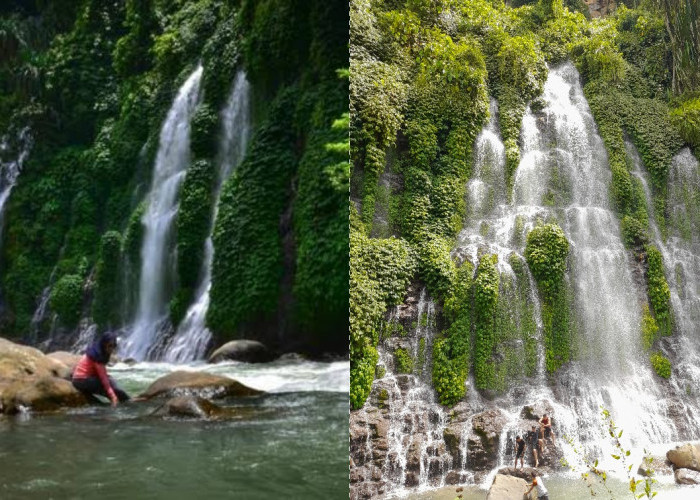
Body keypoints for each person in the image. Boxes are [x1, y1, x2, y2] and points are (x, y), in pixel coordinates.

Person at [72, 332, 130, 406]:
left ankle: (125, 399)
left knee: (111, 382)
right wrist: (112, 396)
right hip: (81, 381)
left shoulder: (97, 350)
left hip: (81, 379)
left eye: (114, 346)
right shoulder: (98, 356)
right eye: (110, 346)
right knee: (109, 385)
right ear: (104, 344)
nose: (112, 348)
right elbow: (103, 379)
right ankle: (124, 401)